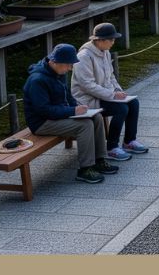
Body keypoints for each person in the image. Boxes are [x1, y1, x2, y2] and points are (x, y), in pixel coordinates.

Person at [23, 44, 120, 184]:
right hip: (41, 123)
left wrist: (78, 107)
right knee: (85, 125)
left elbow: (68, 96)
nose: (70, 68)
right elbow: (43, 110)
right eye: (68, 65)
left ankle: (100, 159)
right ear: (55, 62)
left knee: (96, 117)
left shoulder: (58, 73)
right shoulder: (37, 80)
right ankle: (85, 169)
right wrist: (73, 111)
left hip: (57, 116)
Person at [72, 24, 149, 163]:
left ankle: (129, 141)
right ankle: (111, 147)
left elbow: (111, 76)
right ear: (99, 40)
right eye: (111, 39)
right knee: (121, 108)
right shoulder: (83, 56)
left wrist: (118, 90)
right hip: (86, 99)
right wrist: (113, 95)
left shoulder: (105, 52)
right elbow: (87, 86)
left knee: (133, 103)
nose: (113, 42)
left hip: (104, 95)